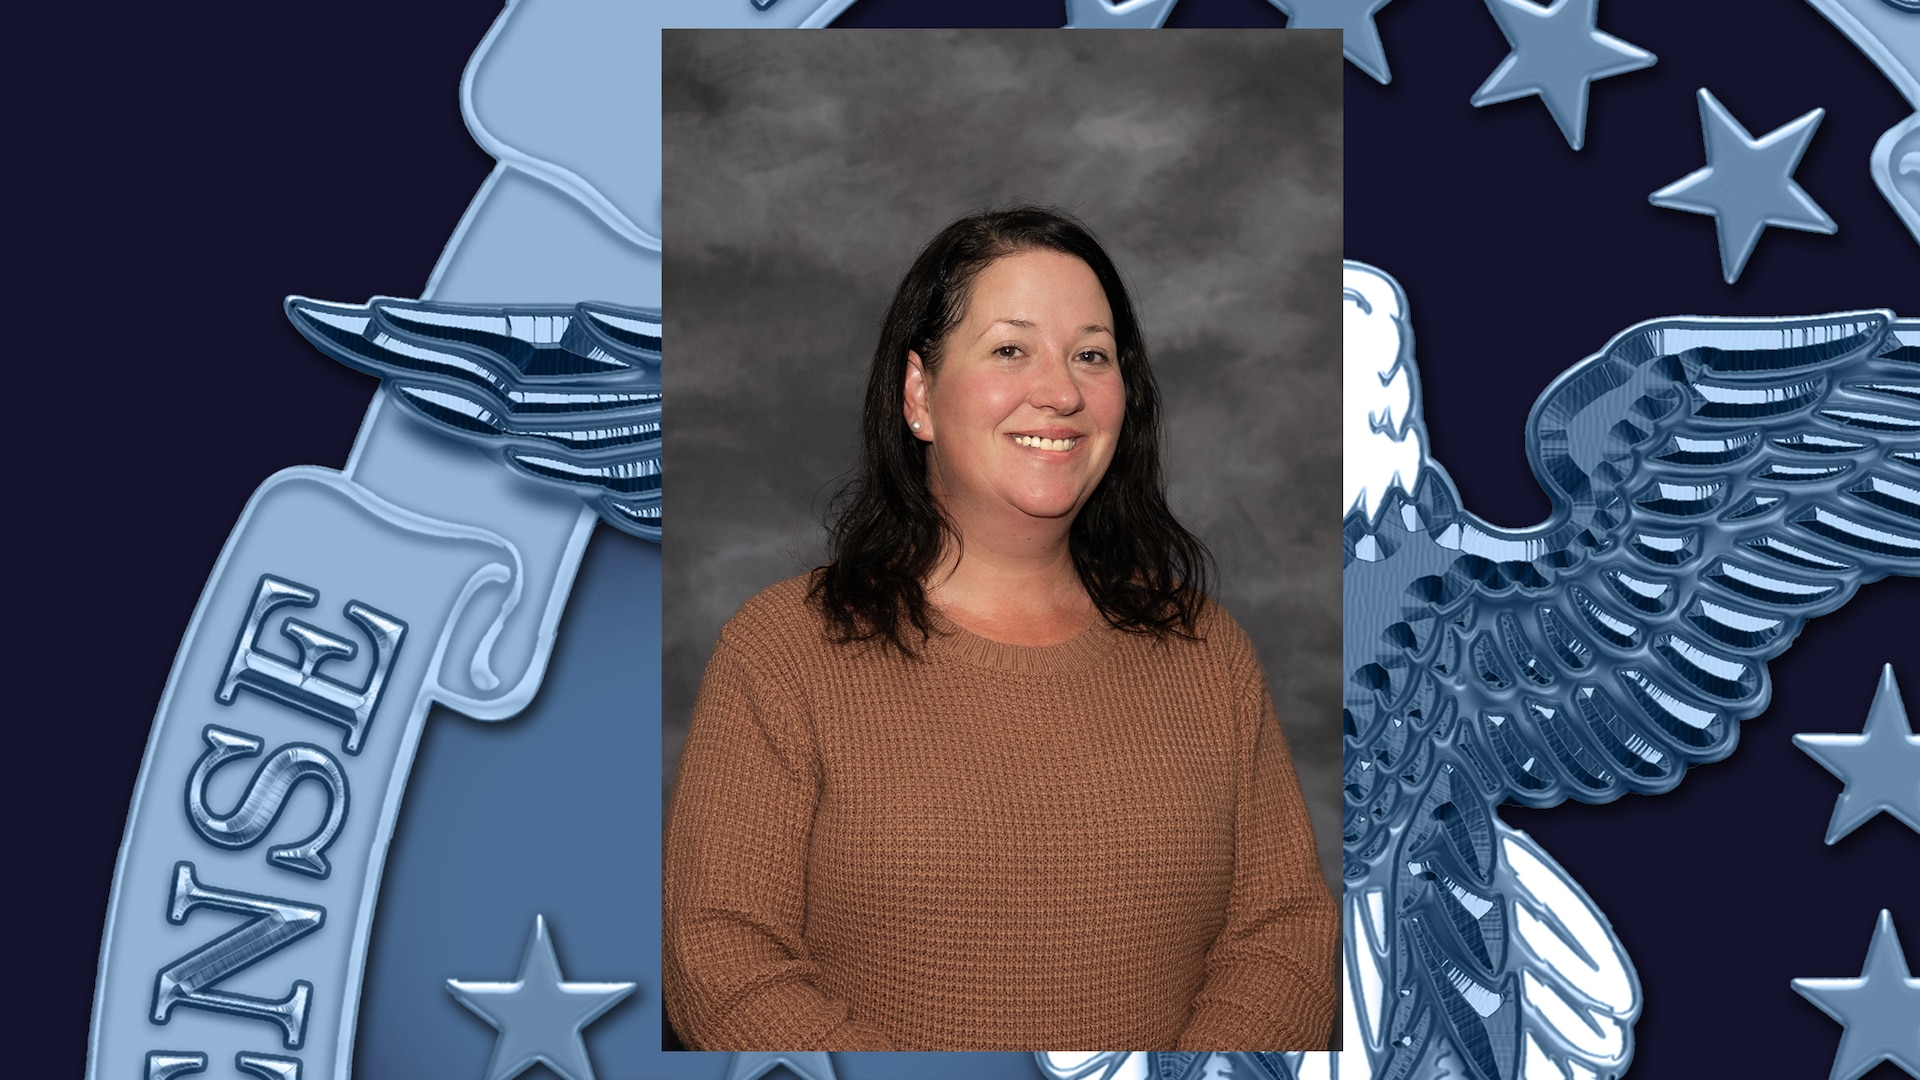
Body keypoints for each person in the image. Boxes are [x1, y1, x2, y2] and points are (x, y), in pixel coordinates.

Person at [662, 207, 1335, 1051]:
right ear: (919, 396)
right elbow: (720, 960)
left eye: (1092, 355)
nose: (1060, 392)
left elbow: (1286, 936)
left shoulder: (1207, 650)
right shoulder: (783, 651)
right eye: (1011, 349)